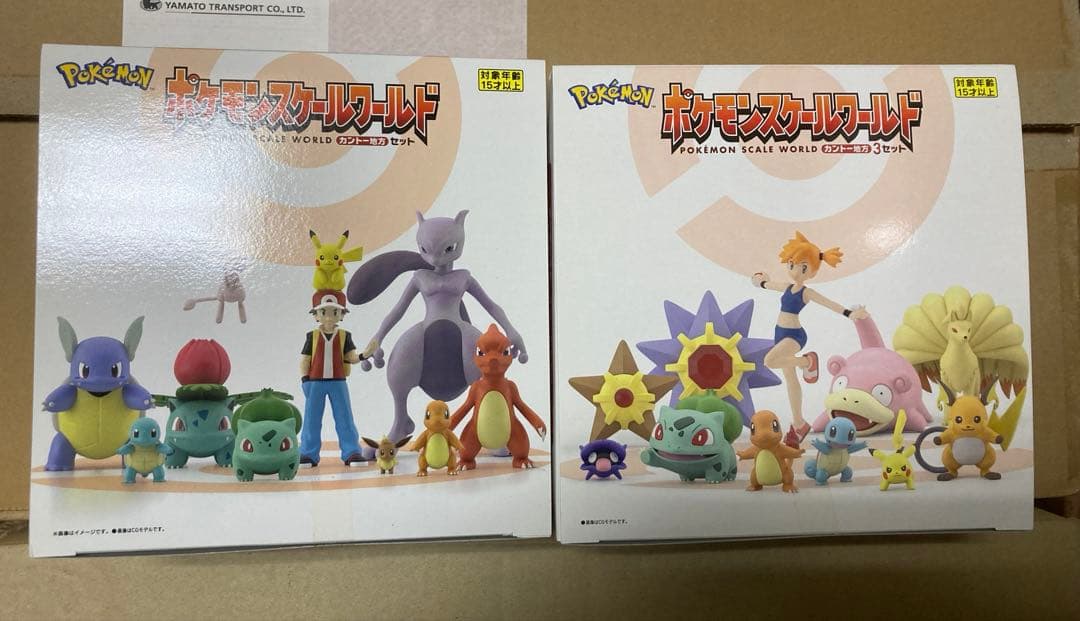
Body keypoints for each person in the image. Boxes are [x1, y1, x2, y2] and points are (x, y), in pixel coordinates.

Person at [752, 232, 868, 447]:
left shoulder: (807, 293)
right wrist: (760, 281)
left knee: (769, 361)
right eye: (791, 264)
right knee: (791, 380)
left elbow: (828, 303)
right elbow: (768, 284)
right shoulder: (787, 287)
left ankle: (807, 361)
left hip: (794, 335)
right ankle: (799, 423)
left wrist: (849, 313)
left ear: (811, 271)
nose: (795, 270)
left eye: (802, 267)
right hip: (779, 333)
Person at [299, 289, 364, 466]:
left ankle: (351, 451)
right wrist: (305, 380)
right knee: (311, 419)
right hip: (315, 382)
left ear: (341, 315)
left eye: (334, 312)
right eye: (323, 312)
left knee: (345, 417)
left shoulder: (345, 336)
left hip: (338, 382)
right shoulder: (312, 336)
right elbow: (305, 359)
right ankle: (307, 452)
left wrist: (363, 355)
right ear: (316, 315)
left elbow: (351, 357)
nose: (328, 317)